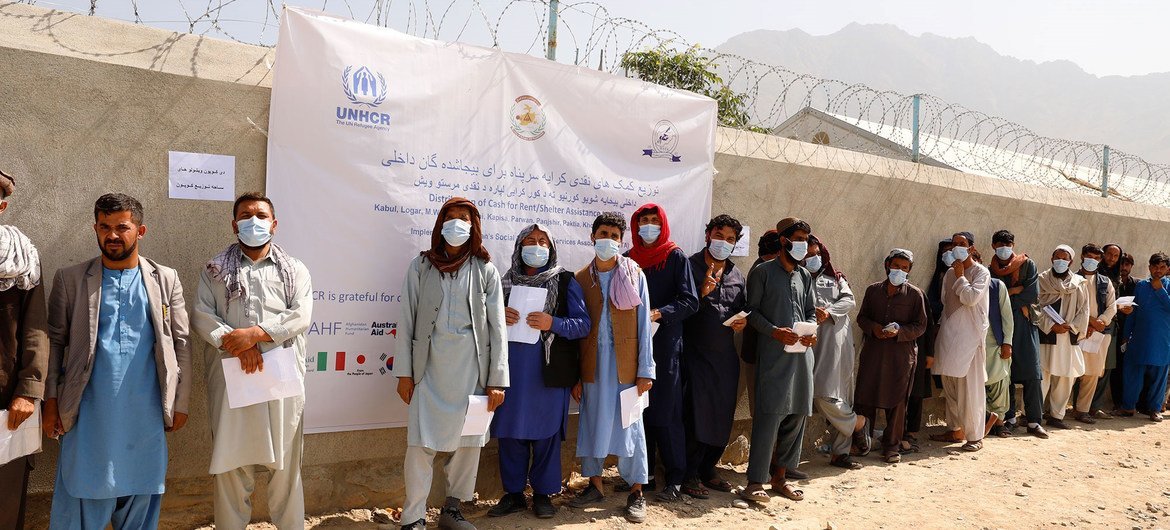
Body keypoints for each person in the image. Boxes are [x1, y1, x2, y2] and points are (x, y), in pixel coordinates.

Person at [44, 193, 191, 529]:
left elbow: (182, 343)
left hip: (145, 416)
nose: (112, 235)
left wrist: (180, 402)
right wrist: (50, 401)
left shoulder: (164, 279)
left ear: (140, 231)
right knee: (81, 492)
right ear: (95, 228)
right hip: (87, 417)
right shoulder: (71, 280)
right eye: (104, 226)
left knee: (141, 498)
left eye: (121, 227)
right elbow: (54, 343)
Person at [192, 192, 313, 529]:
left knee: (286, 465)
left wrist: (256, 334)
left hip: (281, 381)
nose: (254, 221)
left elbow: (301, 315)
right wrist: (238, 344)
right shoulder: (214, 271)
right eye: (246, 215)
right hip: (234, 380)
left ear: (274, 224)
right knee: (232, 466)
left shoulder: (294, 270)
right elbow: (202, 315)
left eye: (261, 215)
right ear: (235, 225)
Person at [393, 197, 508, 530]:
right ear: (440, 223)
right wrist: (404, 373)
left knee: (468, 445)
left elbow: (497, 328)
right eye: (451, 217)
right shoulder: (421, 266)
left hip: (473, 371)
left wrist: (497, 379)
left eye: (464, 218)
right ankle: (413, 517)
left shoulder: (486, 269)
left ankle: (452, 511)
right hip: (428, 369)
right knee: (420, 445)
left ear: (474, 227)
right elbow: (407, 320)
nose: (457, 223)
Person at [488, 224, 590, 519]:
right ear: (519, 247)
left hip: (548, 375)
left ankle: (544, 494)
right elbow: (483, 323)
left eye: (542, 241)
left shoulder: (566, 281)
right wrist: (496, 315)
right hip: (509, 373)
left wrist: (552, 323)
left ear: (552, 248)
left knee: (546, 437)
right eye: (530, 241)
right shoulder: (501, 282)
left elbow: (582, 325)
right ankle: (514, 494)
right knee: (510, 435)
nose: (536, 246)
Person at [568, 212, 654, 524]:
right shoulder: (580, 279)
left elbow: (644, 325)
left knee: (631, 427)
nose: (609, 240)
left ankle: (636, 491)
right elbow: (576, 331)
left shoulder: (634, 275)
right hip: (593, 365)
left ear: (622, 241)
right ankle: (595, 485)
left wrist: (646, 369)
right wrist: (576, 375)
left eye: (615, 236)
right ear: (593, 237)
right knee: (593, 422)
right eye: (604, 233)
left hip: (627, 365)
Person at [619, 204, 698, 502]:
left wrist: (659, 313)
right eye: (643, 221)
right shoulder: (628, 260)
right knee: (639, 411)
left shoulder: (675, 257)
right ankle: (645, 475)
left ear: (662, 224)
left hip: (664, 346)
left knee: (667, 411)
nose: (648, 226)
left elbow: (690, 301)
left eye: (654, 221)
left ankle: (675, 477)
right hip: (633, 345)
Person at [740, 218, 817, 503]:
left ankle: (780, 478)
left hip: (802, 358)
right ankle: (755, 481)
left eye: (806, 240)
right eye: (798, 239)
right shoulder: (762, 273)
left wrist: (811, 332)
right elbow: (752, 312)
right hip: (773, 356)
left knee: (797, 414)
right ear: (783, 241)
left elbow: (810, 310)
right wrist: (774, 332)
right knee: (769, 416)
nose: (803, 245)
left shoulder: (804, 276)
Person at [680, 215, 747, 499]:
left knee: (721, 414)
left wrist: (742, 321)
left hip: (724, 358)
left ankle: (709, 468)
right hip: (693, 355)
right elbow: (676, 309)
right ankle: (688, 473)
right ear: (708, 235)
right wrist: (700, 292)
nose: (723, 243)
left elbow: (742, 308)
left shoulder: (736, 275)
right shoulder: (688, 266)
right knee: (695, 415)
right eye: (719, 236)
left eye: (730, 239)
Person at [0, 170, 49, 530]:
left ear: (2, 206)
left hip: (6, 401)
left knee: (5, 499)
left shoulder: (22, 259)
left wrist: (29, 390)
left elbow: (35, 328)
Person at [854, 248, 928, 463]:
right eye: (896, 266)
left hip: (901, 355)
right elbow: (862, 318)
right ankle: (862, 442)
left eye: (904, 268)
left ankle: (892, 446)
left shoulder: (915, 295)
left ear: (909, 271)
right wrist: (875, 328)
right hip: (874, 352)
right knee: (865, 396)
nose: (899, 270)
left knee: (897, 401)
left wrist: (900, 332)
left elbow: (920, 325)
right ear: (887, 266)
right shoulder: (873, 290)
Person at [805, 235, 869, 469]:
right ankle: (858, 423)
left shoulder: (836, 278)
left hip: (838, 344)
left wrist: (828, 311)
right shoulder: (799, 278)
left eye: (816, 253)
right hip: (812, 342)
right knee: (821, 394)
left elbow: (849, 301)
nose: (813, 258)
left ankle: (840, 453)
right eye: (808, 254)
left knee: (840, 395)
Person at [931, 232, 994, 452]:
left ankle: (975, 435)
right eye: (953, 245)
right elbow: (944, 302)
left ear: (970, 248)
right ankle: (955, 429)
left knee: (971, 389)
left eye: (961, 244)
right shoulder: (948, 273)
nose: (956, 248)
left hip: (970, 338)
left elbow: (969, 299)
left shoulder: (981, 272)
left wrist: (960, 277)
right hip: (949, 336)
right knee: (950, 386)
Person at [989, 230, 1048, 438]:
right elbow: (992, 298)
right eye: (999, 244)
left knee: (1032, 373)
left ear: (1013, 245)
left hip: (1024, 323)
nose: (1004, 248)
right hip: (1002, 326)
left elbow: (1031, 294)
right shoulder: (990, 269)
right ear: (993, 246)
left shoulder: (1027, 265)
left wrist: (1007, 296)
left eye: (1008, 244)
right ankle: (1010, 418)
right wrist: (1014, 291)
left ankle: (1034, 421)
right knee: (1007, 375)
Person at [1035, 245, 1090, 430]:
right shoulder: (1041, 279)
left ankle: (1056, 415)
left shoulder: (1080, 283)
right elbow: (1036, 306)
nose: (1060, 261)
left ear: (1071, 261)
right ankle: (1032, 414)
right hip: (1046, 335)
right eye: (1057, 257)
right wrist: (1051, 326)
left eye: (1064, 258)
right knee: (1041, 376)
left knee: (1065, 377)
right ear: (1051, 259)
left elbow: (1084, 310)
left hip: (1068, 336)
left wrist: (1071, 326)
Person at [1115, 253, 1170, 421]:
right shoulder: (1141, 286)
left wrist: (1159, 290)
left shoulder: (1168, 285)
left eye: (1162, 267)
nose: (1158, 270)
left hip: (1162, 340)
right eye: (1155, 267)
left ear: (1168, 269)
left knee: (1159, 376)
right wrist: (1126, 335)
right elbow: (1134, 311)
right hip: (1139, 337)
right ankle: (1128, 407)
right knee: (1132, 373)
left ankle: (1155, 409)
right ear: (1149, 267)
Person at [1069, 244, 1116, 424]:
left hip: (1098, 334)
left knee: (1092, 373)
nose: (1092, 261)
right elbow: (1070, 307)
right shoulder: (1072, 279)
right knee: (1071, 372)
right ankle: (1055, 411)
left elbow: (1112, 307)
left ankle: (1082, 410)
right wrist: (1088, 322)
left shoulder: (1105, 281)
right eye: (1089, 257)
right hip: (1077, 332)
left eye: (1096, 258)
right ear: (1082, 256)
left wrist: (1099, 323)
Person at [742, 229, 782, 414]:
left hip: (779, 350)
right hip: (759, 349)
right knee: (761, 408)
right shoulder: (759, 272)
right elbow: (753, 312)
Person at [1094, 245, 1131, 418]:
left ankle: (1095, 406)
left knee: (1105, 367)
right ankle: (1082, 406)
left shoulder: (1117, 276)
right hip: (1093, 324)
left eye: (1116, 256)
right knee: (1086, 367)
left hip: (1111, 326)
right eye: (1109, 254)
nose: (1112, 258)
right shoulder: (1093, 273)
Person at [983, 262, 1014, 438]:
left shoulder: (996, 286)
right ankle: (983, 422)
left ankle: (1000, 423)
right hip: (973, 346)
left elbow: (1007, 317)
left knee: (1000, 383)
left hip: (995, 344)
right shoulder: (962, 285)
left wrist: (1007, 343)